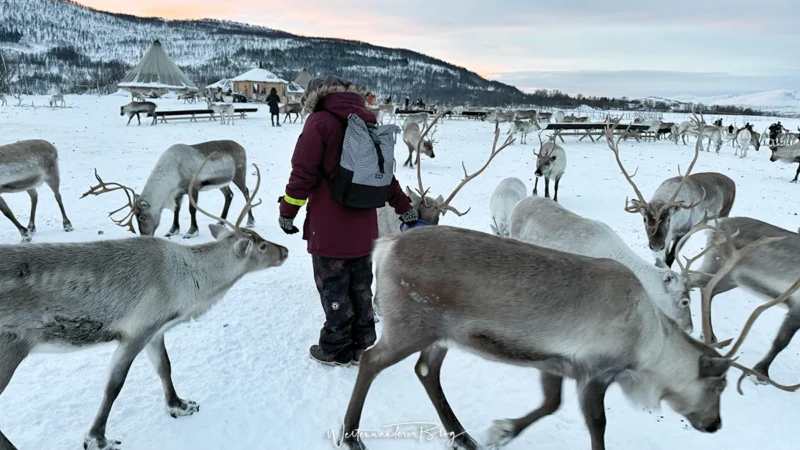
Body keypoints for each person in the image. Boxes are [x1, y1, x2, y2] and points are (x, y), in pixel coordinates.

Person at [277, 75, 418, 367]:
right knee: (361, 287)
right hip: (364, 229)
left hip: (329, 229)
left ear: (314, 95)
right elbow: (385, 176)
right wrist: (404, 207)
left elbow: (303, 175)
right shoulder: (367, 121)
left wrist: (287, 212)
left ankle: (335, 348)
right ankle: (362, 346)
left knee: (333, 288)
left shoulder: (319, 123)